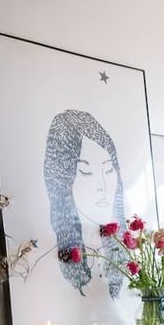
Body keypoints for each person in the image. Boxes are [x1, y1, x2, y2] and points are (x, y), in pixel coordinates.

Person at [43, 109, 126, 299]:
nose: (102, 186)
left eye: (108, 170)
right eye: (87, 172)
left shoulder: (126, 253)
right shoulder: (47, 262)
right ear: (63, 180)